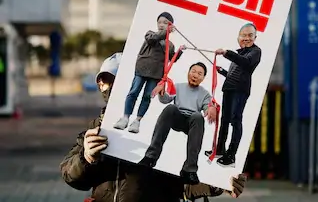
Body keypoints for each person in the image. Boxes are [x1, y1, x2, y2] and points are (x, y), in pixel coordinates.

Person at [60, 52, 247, 202]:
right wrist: (86, 157)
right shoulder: (95, 131)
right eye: (106, 81)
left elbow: (185, 186)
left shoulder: (164, 126)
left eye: (118, 81)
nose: (110, 87)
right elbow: (71, 177)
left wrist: (219, 181)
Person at [138, 62, 217, 184]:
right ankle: (150, 157)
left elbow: (208, 107)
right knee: (170, 108)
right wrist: (162, 91)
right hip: (177, 117)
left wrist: (211, 108)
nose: (195, 75)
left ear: (203, 78)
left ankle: (189, 170)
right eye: (193, 71)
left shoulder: (205, 94)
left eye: (199, 73)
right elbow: (166, 99)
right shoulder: (178, 86)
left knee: (198, 116)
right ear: (188, 73)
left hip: (191, 123)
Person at [114, 12, 185, 133]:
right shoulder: (150, 34)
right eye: (160, 22)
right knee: (133, 92)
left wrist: (179, 51)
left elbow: (172, 59)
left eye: (165, 23)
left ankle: (137, 121)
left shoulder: (170, 45)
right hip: (142, 69)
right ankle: (125, 117)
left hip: (156, 74)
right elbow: (153, 39)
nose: (161, 25)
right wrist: (166, 32)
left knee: (147, 96)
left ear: (170, 25)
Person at [205, 23, 262, 168]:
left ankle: (231, 156)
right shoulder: (240, 53)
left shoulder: (255, 52)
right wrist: (222, 71)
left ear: (255, 37)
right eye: (244, 35)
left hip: (240, 90)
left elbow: (246, 64)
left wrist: (226, 53)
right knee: (224, 120)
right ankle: (219, 149)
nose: (246, 38)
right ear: (239, 37)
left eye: (250, 35)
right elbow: (234, 73)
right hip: (229, 88)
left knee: (235, 120)